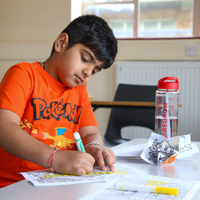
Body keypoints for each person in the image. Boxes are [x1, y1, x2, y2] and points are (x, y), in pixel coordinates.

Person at [0, 15, 118, 188]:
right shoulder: (24, 74)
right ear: (61, 43)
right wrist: (55, 157)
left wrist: (95, 147)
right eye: (85, 60)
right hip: (15, 184)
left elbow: (89, 133)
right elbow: (4, 128)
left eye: (95, 70)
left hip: (58, 183)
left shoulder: (79, 90)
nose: (88, 73)